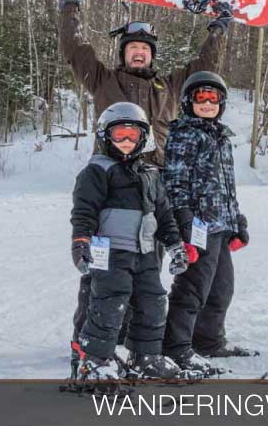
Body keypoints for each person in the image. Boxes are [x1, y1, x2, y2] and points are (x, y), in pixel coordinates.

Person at [57, 0, 233, 372]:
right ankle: (87, 345)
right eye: (132, 48)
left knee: (145, 274)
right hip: (111, 185)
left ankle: (140, 349)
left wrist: (218, 29)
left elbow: (205, 66)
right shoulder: (104, 80)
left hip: (155, 186)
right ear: (124, 53)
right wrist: (69, 7)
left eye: (144, 49)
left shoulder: (168, 86)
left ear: (152, 55)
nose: (138, 54)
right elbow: (76, 51)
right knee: (101, 274)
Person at [70, 102, 191, 380]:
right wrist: (81, 242)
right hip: (110, 252)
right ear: (105, 137)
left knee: (153, 301)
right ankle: (95, 361)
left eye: (132, 135)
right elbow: (84, 212)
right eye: (119, 135)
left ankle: (145, 357)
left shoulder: (150, 174)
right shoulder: (97, 171)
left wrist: (175, 245)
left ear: (143, 137)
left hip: (146, 252)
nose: (125, 141)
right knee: (110, 303)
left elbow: (164, 215)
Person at [162, 71, 254, 375]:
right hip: (198, 227)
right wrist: (185, 225)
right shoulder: (184, 134)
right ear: (189, 101)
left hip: (221, 226)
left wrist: (238, 221)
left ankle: (209, 340)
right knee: (192, 289)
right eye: (200, 97)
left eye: (213, 97)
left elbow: (228, 186)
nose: (207, 103)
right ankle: (176, 347)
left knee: (221, 289)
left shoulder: (220, 137)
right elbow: (174, 183)